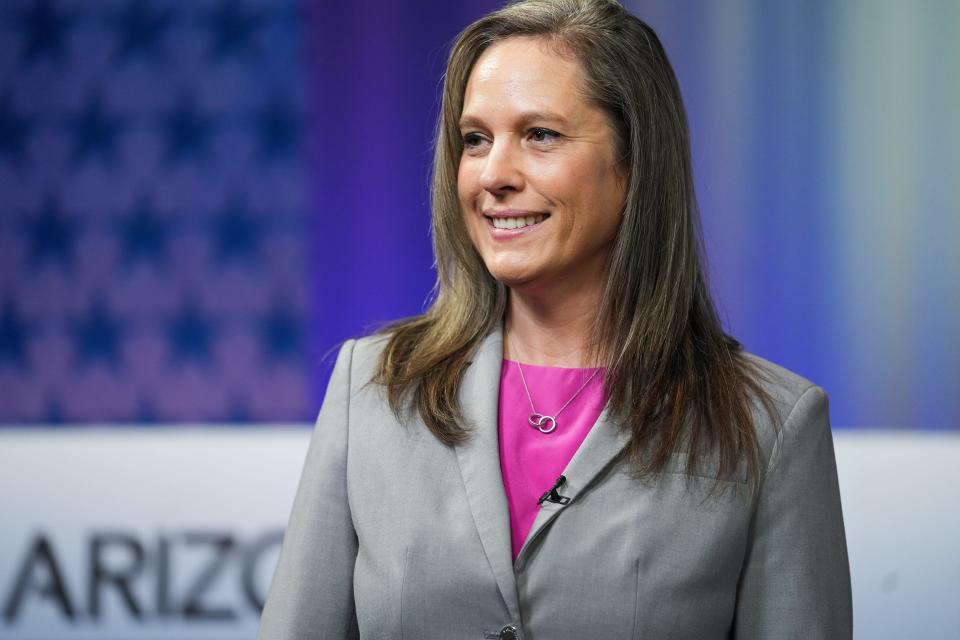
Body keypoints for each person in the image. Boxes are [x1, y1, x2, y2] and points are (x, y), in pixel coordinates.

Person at [258, 0, 852, 638]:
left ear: (634, 164)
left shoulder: (771, 425)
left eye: (540, 134)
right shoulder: (372, 387)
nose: (493, 175)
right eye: (476, 140)